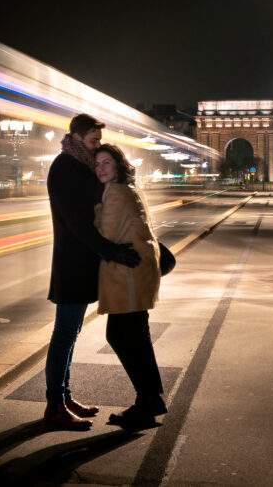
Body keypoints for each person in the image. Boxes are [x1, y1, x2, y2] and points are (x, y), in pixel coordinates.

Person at [45, 114, 142, 430]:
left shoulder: (78, 165)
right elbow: (78, 224)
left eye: (99, 141)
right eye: (93, 141)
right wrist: (111, 251)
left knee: (70, 334)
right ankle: (54, 406)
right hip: (73, 265)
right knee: (63, 335)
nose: (97, 146)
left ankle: (65, 396)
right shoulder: (64, 168)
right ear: (75, 137)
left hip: (83, 264)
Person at [93, 143, 168, 429]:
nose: (101, 169)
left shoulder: (114, 193)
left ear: (118, 165)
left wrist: (95, 207)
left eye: (106, 163)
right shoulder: (130, 188)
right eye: (97, 164)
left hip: (128, 276)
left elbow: (106, 234)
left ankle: (147, 401)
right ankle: (150, 400)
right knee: (137, 337)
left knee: (122, 336)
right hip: (139, 273)